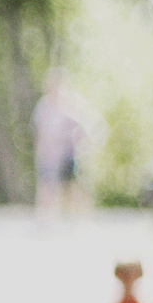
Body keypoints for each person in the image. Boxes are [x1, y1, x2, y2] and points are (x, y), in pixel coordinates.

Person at [33, 75, 103, 219]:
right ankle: (45, 217)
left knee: (71, 186)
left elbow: (84, 127)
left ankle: (77, 216)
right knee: (47, 185)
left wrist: (86, 144)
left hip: (67, 154)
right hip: (48, 154)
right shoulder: (43, 106)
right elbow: (38, 131)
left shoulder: (71, 105)